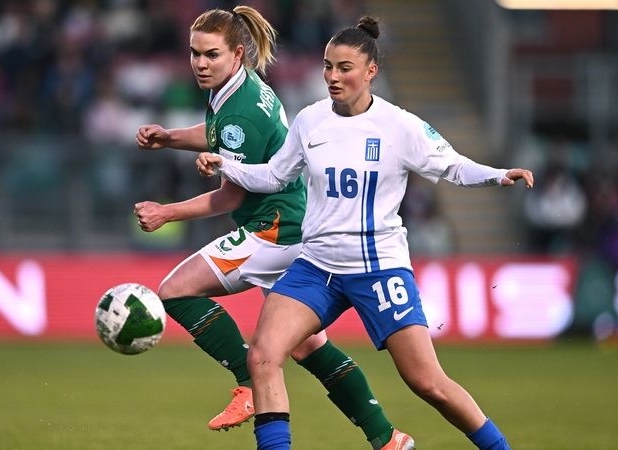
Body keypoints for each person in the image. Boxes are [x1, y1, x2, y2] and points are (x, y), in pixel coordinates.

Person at [196, 16, 534, 450]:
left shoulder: (399, 126)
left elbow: (452, 164)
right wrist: (227, 165)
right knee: (262, 355)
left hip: (379, 269)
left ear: (371, 71)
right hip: (317, 267)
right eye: (327, 66)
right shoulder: (311, 120)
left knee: (427, 383)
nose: (333, 77)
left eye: (345, 68)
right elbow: (275, 175)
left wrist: (497, 175)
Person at [133, 7, 412, 450]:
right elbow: (219, 133)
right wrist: (170, 137)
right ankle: (387, 436)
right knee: (308, 347)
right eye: (194, 53)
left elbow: (229, 197)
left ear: (237, 54)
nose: (200, 63)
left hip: (271, 230)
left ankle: (246, 382)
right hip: (296, 225)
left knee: (175, 291)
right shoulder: (240, 88)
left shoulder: (239, 112)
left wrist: (166, 213)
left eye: (211, 55)